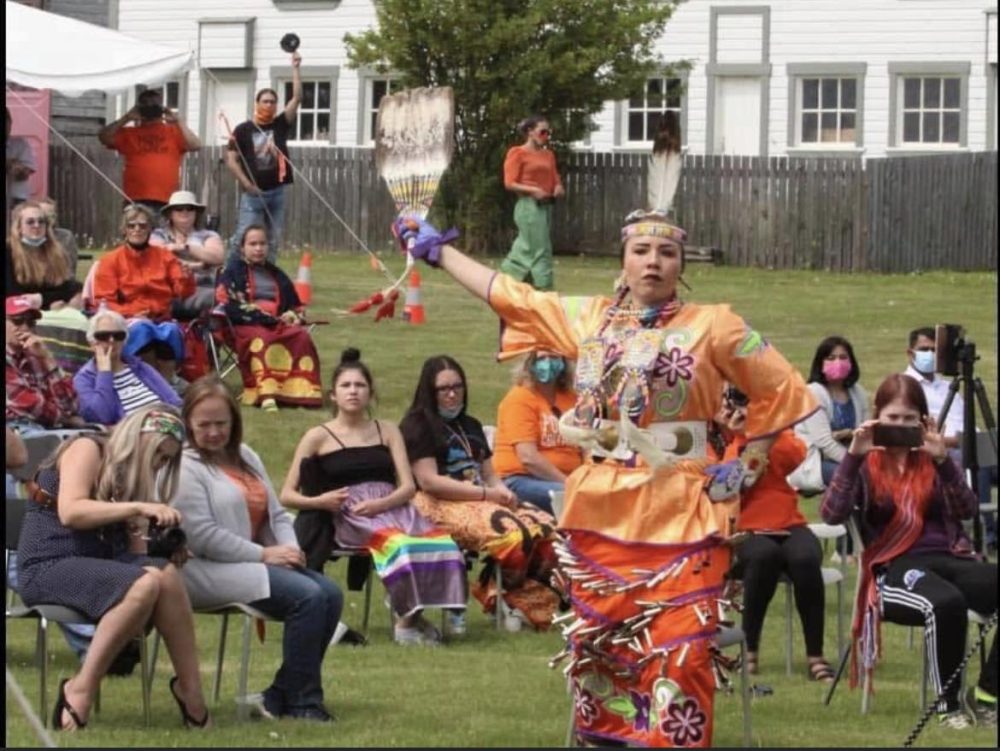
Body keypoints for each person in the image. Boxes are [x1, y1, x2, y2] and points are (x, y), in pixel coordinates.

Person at [391, 209, 817, 746]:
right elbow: (512, 296)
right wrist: (439, 253)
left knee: (682, 648)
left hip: (683, 508)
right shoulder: (589, 319)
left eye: (666, 253)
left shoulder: (715, 324)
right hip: (602, 510)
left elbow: (782, 386)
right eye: (642, 251)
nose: (653, 262)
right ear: (624, 261)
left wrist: (748, 462)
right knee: (602, 648)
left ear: (681, 266)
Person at [15, 405, 209, 731]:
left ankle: (190, 691)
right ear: (136, 439)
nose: (158, 463)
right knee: (143, 584)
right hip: (49, 564)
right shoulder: (88, 448)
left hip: (98, 565)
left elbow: (134, 553)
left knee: (164, 575)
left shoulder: (130, 477)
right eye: (157, 453)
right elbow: (71, 512)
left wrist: (160, 550)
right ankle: (81, 688)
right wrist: (138, 507)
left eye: (166, 459)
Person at [821, 373, 997, 729]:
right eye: (892, 418)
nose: (900, 426)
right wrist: (853, 456)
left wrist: (944, 461)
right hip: (893, 566)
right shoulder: (864, 462)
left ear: (922, 420)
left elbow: (967, 511)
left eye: (908, 419)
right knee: (945, 602)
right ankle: (948, 706)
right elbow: (832, 514)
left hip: (948, 557)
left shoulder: (932, 459)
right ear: (877, 416)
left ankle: (988, 695)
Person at [174, 376, 341, 721]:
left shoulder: (246, 455)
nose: (214, 432)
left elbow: (276, 514)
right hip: (205, 568)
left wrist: (290, 550)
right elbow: (203, 536)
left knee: (331, 594)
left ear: (234, 421)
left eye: (221, 423)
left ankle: (279, 694)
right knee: (308, 597)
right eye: (204, 425)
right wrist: (264, 555)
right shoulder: (185, 466)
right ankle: (303, 702)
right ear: (188, 423)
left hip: (253, 562)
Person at [280, 349, 468, 645]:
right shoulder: (317, 437)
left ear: (370, 393)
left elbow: (408, 486)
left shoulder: (387, 430)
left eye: (360, 385)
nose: (353, 391)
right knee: (401, 547)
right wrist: (321, 502)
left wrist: (382, 504)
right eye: (346, 385)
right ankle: (406, 626)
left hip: (393, 507)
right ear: (333, 395)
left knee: (443, 546)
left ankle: (410, 617)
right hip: (352, 516)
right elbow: (287, 495)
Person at [399, 355, 561, 632]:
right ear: (429, 391)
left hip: (482, 498)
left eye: (457, 387)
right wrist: (486, 494)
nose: (452, 394)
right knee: (513, 535)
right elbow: (429, 482)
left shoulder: (471, 425)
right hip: (440, 503)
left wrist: (502, 491)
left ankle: (518, 600)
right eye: (443, 389)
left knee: (549, 529)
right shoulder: (418, 425)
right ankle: (492, 593)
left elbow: (490, 473)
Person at [717, 385, 834, 682]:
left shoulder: (778, 432)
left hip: (788, 521)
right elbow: (729, 484)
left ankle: (816, 655)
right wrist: (741, 437)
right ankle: (750, 648)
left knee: (806, 558)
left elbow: (793, 457)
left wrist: (764, 433)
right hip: (745, 525)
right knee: (763, 556)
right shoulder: (724, 435)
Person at [904, 326, 996, 552]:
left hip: (968, 441)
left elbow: (969, 422)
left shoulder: (947, 386)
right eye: (924, 349)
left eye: (934, 350)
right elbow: (914, 435)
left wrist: (973, 439)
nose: (930, 354)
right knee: (977, 461)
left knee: (983, 450)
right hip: (943, 450)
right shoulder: (906, 386)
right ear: (910, 353)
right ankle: (987, 534)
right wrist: (956, 441)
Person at [215, 224, 322, 411]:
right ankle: (267, 393)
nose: (258, 248)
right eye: (253, 244)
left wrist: (292, 315)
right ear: (242, 248)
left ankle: (300, 393)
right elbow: (228, 304)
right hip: (242, 325)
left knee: (301, 336)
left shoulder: (277, 274)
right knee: (262, 338)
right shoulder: (230, 272)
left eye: (262, 244)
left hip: (277, 323)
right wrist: (265, 317)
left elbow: (297, 306)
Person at [225, 51, 302, 264]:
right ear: (257, 103)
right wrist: (246, 184)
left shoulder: (280, 124)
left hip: (277, 192)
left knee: (272, 239)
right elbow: (231, 159)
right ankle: (230, 273)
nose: (269, 105)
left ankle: (268, 275)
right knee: (242, 237)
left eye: (273, 102)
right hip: (253, 194)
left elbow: (297, 98)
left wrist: (296, 69)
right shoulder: (243, 129)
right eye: (265, 101)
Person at [797, 336, 869, 561]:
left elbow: (865, 431)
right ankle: (844, 549)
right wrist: (853, 462)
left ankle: (869, 543)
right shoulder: (813, 393)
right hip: (815, 461)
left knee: (873, 477)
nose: (838, 362)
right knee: (849, 478)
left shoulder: (858, 392)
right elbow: (825, 443)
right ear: (820, 363)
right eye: (831, 358)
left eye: (843, 357)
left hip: (850, 455)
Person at [492, 349, 582, 515]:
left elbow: (585, 444)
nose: (548, 363)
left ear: (563, 362)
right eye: (542, 358)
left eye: (554, 357)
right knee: (578, 498)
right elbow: (528, 458)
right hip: (520, 479)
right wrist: (569, 483)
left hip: (567, 479)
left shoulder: (572, 399)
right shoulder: (519, 398)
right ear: (530, 364)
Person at [97, 88, 201, 212]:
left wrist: (178, 121)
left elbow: (196, 145)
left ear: (162, 108)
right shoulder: (129, 133)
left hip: (166, 198)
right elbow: (104, 137)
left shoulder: (173, 131)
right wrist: (126, 118)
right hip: (135, 197)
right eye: (146, 103)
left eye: (154, 103)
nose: (150, 106)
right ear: (139, 108)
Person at [73, 309, 182, 425]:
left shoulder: (140, 367)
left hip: (167, 424)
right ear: (92, 343)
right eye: (103, 336)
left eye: (118, 336)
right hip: (133, 432)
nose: (112, 340)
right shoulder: (84, 378)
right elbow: (101, 417)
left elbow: (174, 401)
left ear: (124, 341)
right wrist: (104, 372)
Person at [92, 204, 196, 320]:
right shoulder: (110, 261)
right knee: (141, 328)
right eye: (131, 226)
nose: (137, 229)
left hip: (163, 319)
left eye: (142, 225)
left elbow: (184, 293)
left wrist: (186, 279)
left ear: (150, 229)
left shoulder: (165, 256)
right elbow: (104, 302)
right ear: (124, 230)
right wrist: (131, 313)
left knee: (172, 330)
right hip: (127, 320)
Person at [500, 115, 564, 290]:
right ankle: (544, 287)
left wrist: (558, 187)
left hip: (546, 206)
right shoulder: (517, 153)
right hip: (528, 206)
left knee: (528, 246)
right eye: (542, 132)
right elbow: (509, 183)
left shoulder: (548, 155)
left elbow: (555, 178)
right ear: (530, 132)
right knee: (541, 248)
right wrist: (533, 190)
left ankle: (510, 280)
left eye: (548, 133)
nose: (546, 136)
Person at [5, 295, 84, 431]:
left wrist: (48, 359)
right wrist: (66, 419)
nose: (25, 327)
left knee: (95, 434)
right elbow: (30, 405)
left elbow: (71, 405)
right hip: (14, 428)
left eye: (30, 323)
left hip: (44, 429)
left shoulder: (36, 355)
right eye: (18, 321)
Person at [151, 190, 226, 319]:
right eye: (179, 209)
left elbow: (217, 257)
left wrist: (183, 247)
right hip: (168, 289)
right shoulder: (158, 234)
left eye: (190, 208)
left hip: (203, 287)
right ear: (170, 214)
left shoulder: (209, 235)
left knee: (220, 298)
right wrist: (200, 264)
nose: (184, 212)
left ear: (196, 213)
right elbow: (155, 255)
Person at [5, 201, 83, 310]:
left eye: (41, 221)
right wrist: (49, 300)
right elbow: (12, 294)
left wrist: (41, 298)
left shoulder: (55, 252)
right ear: (19, 227)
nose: (37, 225)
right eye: (30, 222)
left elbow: (70, 288)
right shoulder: (8, 252)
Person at [647, 111, 682, 214]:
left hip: (669, 156)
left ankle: (660, 206)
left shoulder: (672, 141)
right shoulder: (663, 139)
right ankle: (659, 206)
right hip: (662, 155)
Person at [37, 197, 81, 278]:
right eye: (43, 215)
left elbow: (69, 270)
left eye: (51, 215)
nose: (47, 219)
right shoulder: (29, 238)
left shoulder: (65, 237)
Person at [6, 107, 37, 208]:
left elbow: (25, 174)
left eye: (7, 122)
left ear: (10, 124)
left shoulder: (20, 144)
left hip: (16, 199)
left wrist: (17, 169)